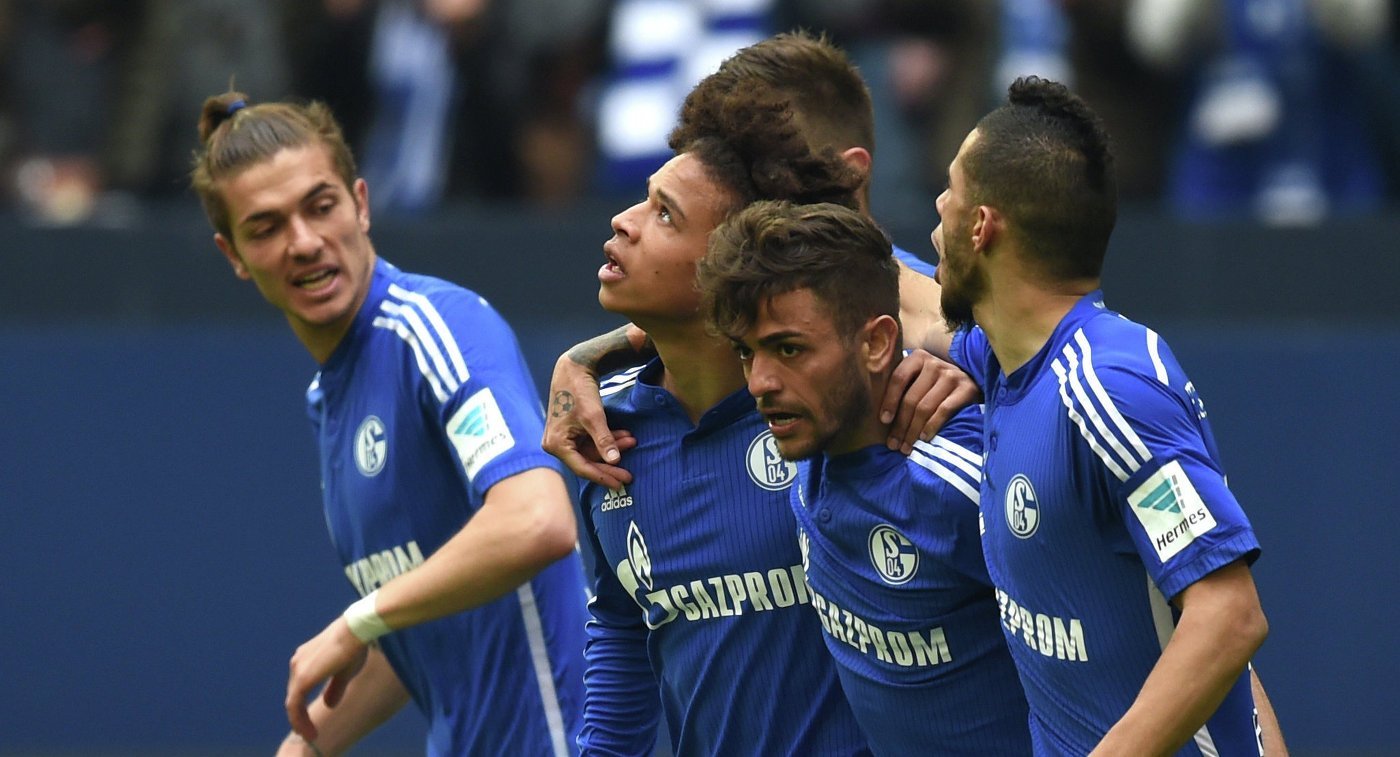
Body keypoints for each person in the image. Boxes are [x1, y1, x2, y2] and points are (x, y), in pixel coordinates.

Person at [189, 91, 587, 756]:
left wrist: (356, 621)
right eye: (266, 228)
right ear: (233, 255)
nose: (304, 242)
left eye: (321, 206)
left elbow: (537, 521)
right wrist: (304, 747)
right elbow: (417, 626)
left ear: (361, 204)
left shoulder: (435, 328)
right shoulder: (330, 400)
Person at [933, 75, 1275, 754]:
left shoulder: (1109, 389)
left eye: (952, 189)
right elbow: (908, 303)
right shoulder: (1003, 359)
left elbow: (1227, 614)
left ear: (981, 226)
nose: (938, 205)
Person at [571, 82, 876, 755]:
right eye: (645, 199)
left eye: (665, 215)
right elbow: (623, 625)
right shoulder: (603, 432)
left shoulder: (838, 417)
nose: (623, 221)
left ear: (732, 264)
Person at [545, 31, 968, 489]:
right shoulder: (746, 325)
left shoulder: (929, 330)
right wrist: (584, 358)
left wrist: (978, 372)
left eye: (784, 167)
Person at [696, 199, 1032, 754]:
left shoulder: (968, 481)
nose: (759, 383)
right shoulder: (809, 431)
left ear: (876, 344)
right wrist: (586, 359)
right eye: (746, 353)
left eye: (788, 349)